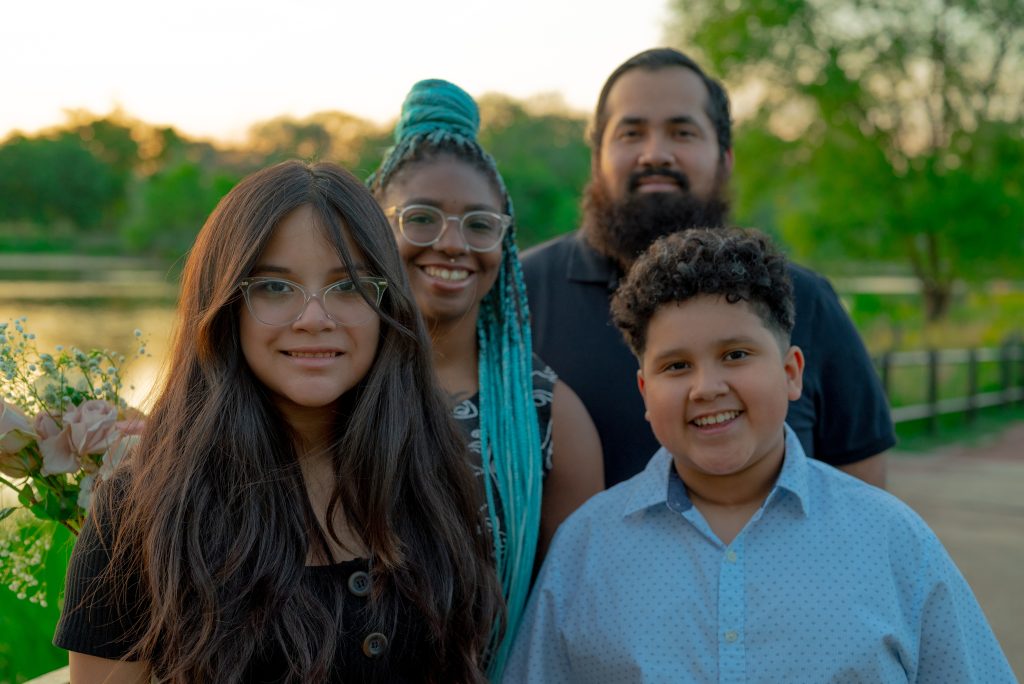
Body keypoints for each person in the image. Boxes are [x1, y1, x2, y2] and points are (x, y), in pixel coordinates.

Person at [53, 161, 503, 683]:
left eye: (348, 286)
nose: (314, 318)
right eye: (274, 287)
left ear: (388, 306)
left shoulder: (433, 474)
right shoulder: (143, 509)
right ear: (224, 305)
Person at [503, 228, 1015, 683]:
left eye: (736, 355)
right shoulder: (585, 552)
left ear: (792, 372)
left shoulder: (893, 543)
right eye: (676, 366)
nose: (706, 387)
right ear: (644, 391)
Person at [522, 48, 894, 488]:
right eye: (631, 133)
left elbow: (862, 492)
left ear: (725, 158)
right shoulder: (517, 295)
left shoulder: (804, 300)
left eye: (682, 132)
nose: (655, 154)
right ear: (597, 157)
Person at [368, 79, 603, 678]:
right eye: (420, 219)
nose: (452, 244)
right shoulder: (320, 385)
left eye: (480, 224)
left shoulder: (549, 416)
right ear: (374, 228)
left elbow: (572, 617)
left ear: (505, 239)